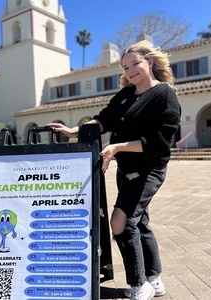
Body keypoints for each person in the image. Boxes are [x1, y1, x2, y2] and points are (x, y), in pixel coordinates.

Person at [46, 40, 181, 300]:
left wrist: (117, 147)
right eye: (125, 67)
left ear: (149, 62)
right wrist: (73, 130)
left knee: (120, 223)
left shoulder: (164, 94)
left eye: (135, 64)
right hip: (127, 169)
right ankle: (154, 279)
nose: (130, 71)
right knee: (140, 223)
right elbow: (104, 119)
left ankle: (138, 285)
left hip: (148, 170)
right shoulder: (126, 94)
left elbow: (160, 142)